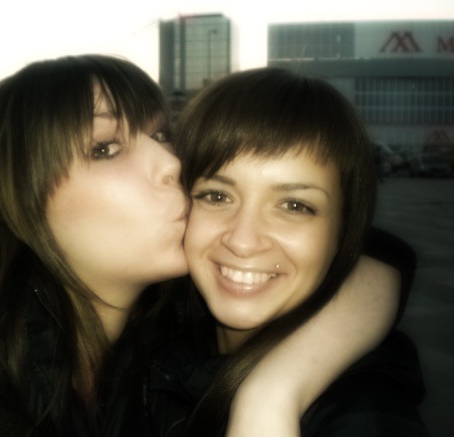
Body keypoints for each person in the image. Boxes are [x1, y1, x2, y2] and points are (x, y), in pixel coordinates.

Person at [0, 56, 405, 436]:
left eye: (161, 134)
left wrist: (273, 391)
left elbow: (373, 259)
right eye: (106, 148)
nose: (173, 164)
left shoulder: (165, 331)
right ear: (15, 194)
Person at [131, 68, 428, 436]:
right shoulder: (149, 330)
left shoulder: (363, 414)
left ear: (344, 229)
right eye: (217, 196)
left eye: (294, 206)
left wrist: (269, 397)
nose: (243, 241)